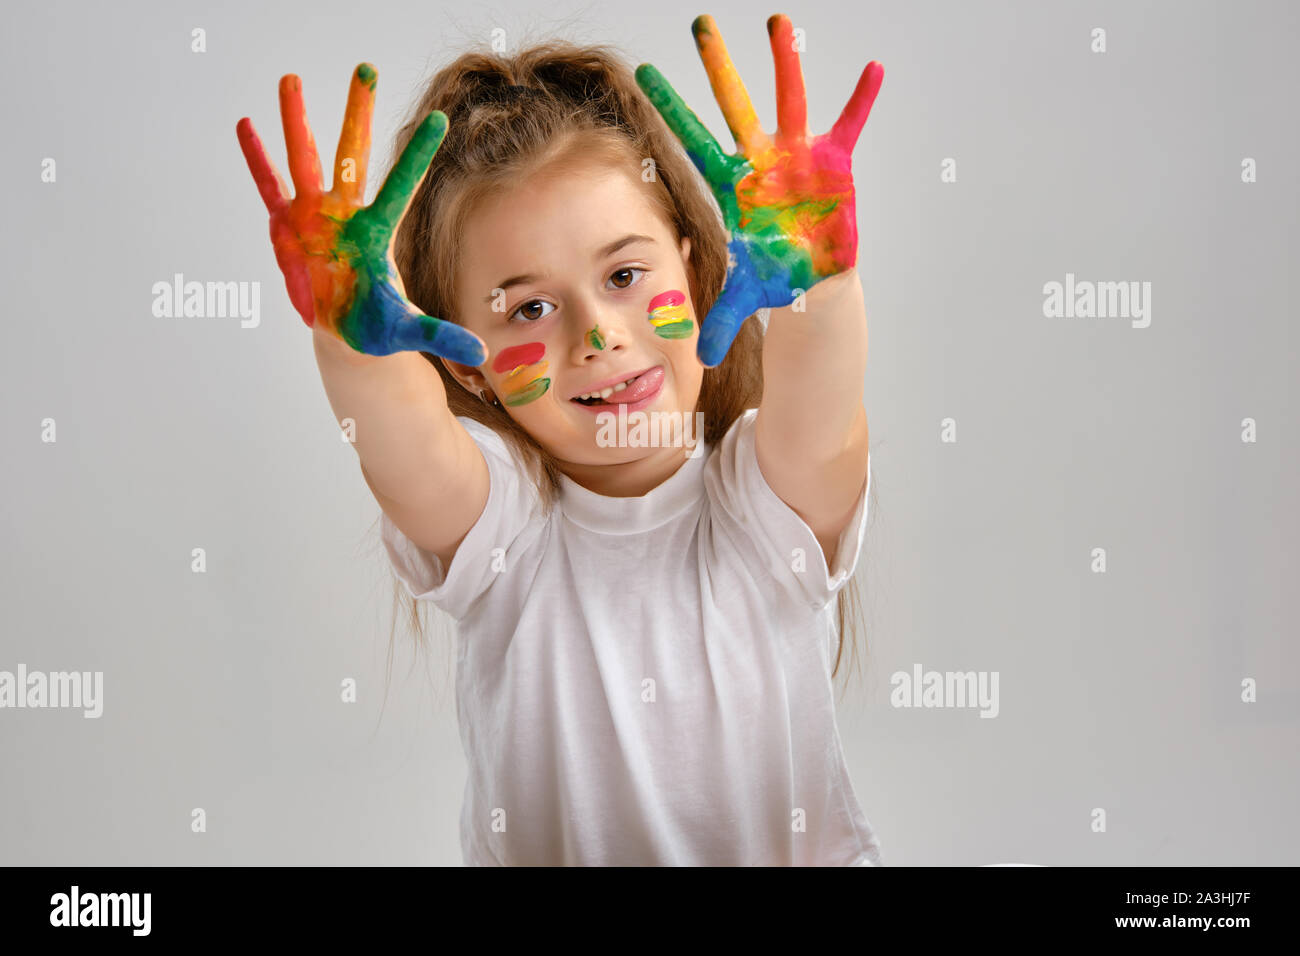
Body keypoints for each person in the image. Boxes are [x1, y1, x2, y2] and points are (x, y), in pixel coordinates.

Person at [235, 13, 884, 866]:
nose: (597, 333)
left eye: (624, 275)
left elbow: (823, 417)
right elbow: (404, 445)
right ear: (468, 369)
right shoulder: (503, 533)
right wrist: (346, 340)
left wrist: (823, 284)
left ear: (697, 269)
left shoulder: (764, 505)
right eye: (529, 308)